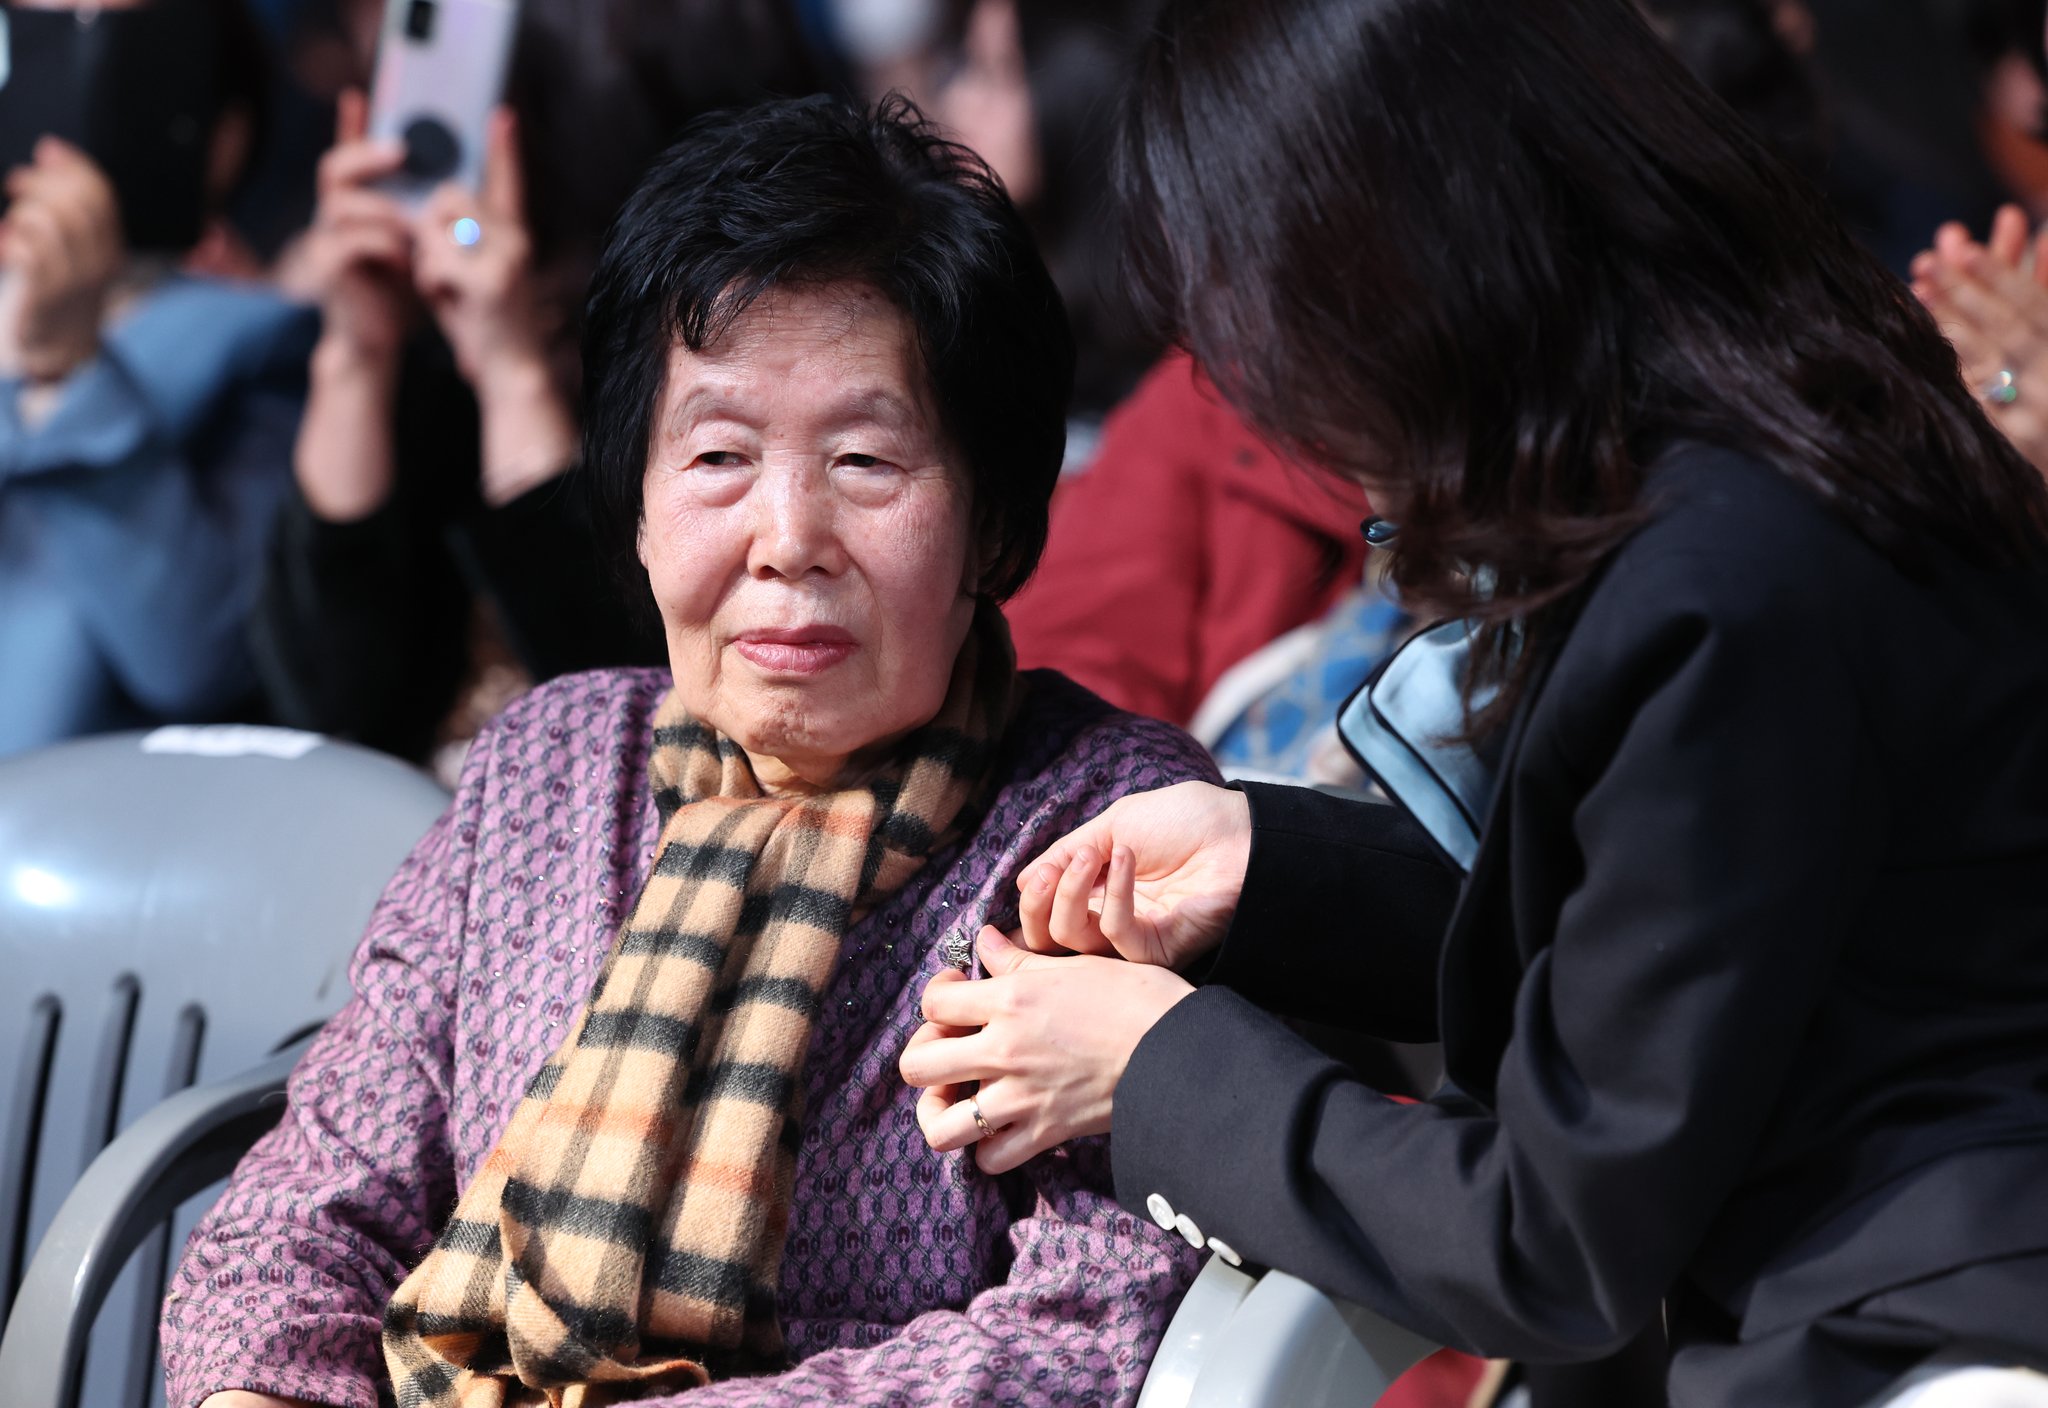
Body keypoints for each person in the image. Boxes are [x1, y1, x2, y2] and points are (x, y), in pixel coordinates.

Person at [897, 2, 2048, 1405]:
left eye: (1259, 329)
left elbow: (1554, 1235)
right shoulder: (1772, 443)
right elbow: (1680, 944)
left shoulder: (1724, 580)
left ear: (1380, 274)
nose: (1268, 411)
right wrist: (1271, 874)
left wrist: (1151, 1070)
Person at [161, 95, 1211, 1408]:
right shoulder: (551, 763)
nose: (787, 537)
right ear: (639, 509)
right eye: (718, 455)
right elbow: (309, 1207)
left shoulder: (1104, 829)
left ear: (994, 522)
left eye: (865, 460)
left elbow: (1098, 1323)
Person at [252, 0, 823, 771]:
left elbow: (641, 725)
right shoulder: (436, 337)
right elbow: (329, 714)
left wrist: (513, 378)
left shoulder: (748, 359)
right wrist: (356, 358)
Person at [0, 0, 315, 757]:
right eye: (40, 38)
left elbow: (195, 657)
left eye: (114, 50)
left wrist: (67, 370)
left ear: (220, 136)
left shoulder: (249, 340)